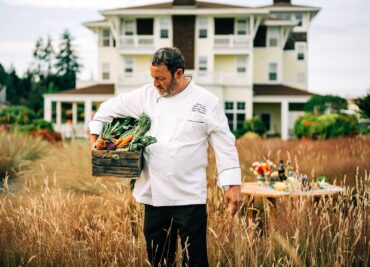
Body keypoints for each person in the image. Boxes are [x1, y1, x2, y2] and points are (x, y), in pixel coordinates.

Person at [89, 47, 241, 266]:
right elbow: (107, 109)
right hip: (154, 197)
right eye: (152, 77)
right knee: (159, 261)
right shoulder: (146, 96)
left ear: (178, 74)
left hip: (189, 197)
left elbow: (224, 143)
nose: (155, 84)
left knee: (195, 261)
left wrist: (232, 184)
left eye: (161, 78)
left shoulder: (207, 102)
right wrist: (95, 139)